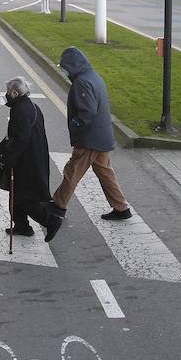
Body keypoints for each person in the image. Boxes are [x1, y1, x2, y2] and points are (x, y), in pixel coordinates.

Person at [44, 47, 131, 242]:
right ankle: (121, 207)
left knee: (72, 171)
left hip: (90, 138)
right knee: (105, 172)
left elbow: (87, 112)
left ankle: (58, 206)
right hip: (101, 136)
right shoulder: (92, 76)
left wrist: (75, 125)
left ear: (73, 66)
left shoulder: (82, 83)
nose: (63, 71)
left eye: (65, 67)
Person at [0, 77, 51, 237]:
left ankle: (49, 220)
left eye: (8, 92)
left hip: (26, 161)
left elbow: (20, 138)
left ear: (14, 92)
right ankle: (22, 226)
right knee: (16, 195)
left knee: (22, 197)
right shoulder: (32, 107)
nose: (6, 95)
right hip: (32, 158)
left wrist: (9, 159)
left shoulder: (19, 110)